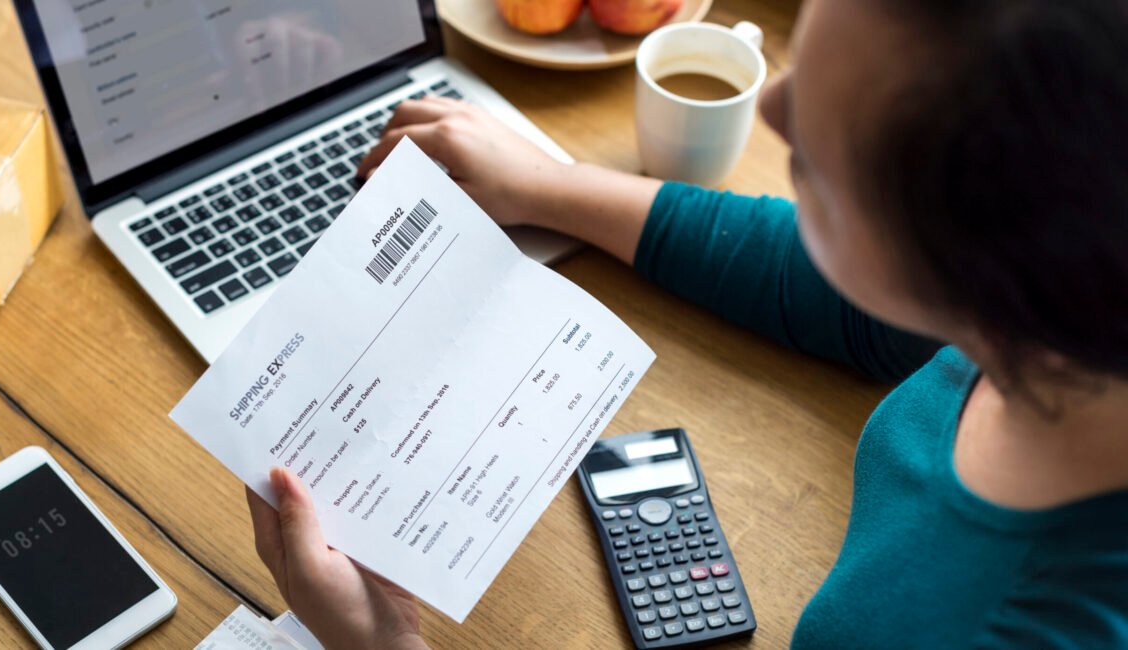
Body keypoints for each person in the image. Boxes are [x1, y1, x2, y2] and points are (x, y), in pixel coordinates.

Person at [246, 0, 1128, 647]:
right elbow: (835, 285)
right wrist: (545, 186)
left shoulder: (1038, 625)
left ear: (992, 230)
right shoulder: (1066, 315)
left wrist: (383, 648)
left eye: (825, 139)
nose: (775, 109)